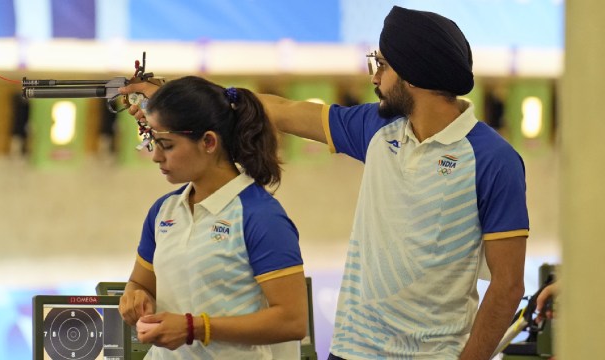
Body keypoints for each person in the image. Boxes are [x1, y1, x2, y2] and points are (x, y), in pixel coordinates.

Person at [120, 6, 529, 359]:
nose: (375, 78)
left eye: (382, 66)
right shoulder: (378, 128)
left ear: (413, 76)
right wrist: (175, 97)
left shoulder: (493, 160)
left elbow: (508, 286)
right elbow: (283, 110)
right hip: (351, 348)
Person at [118, 75, 309, 359]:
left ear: (208, 142)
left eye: (166, 145)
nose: (156, 156)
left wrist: (194, 328)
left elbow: (292, 321)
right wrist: (135, 297)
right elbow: (141, 284)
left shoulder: (260, 216)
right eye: (152, 143)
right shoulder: (163, 211)